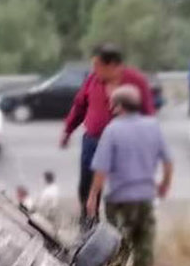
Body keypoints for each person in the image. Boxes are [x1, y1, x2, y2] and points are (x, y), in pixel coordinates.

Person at [85, 85, 174, 266]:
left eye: (113, 103)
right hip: (145, 199)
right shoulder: (153, 126)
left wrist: (92, 196)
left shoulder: (113, 130)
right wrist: (164, 185)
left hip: (119, 201)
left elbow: (102, 169)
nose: (111, 107)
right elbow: (168, 162)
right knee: (144, 247)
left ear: (119, 106)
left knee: (118, 248)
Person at [60, 44, 155, 216]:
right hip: (93, 142)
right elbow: (79, 107)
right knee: (87, 187)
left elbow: (148, 114)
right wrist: (67, 131)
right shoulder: (92, 80)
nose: (93, 70)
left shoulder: (137, 81)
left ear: (112, 66)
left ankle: (121, 229)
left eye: (97, 65)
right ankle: (89, 224)